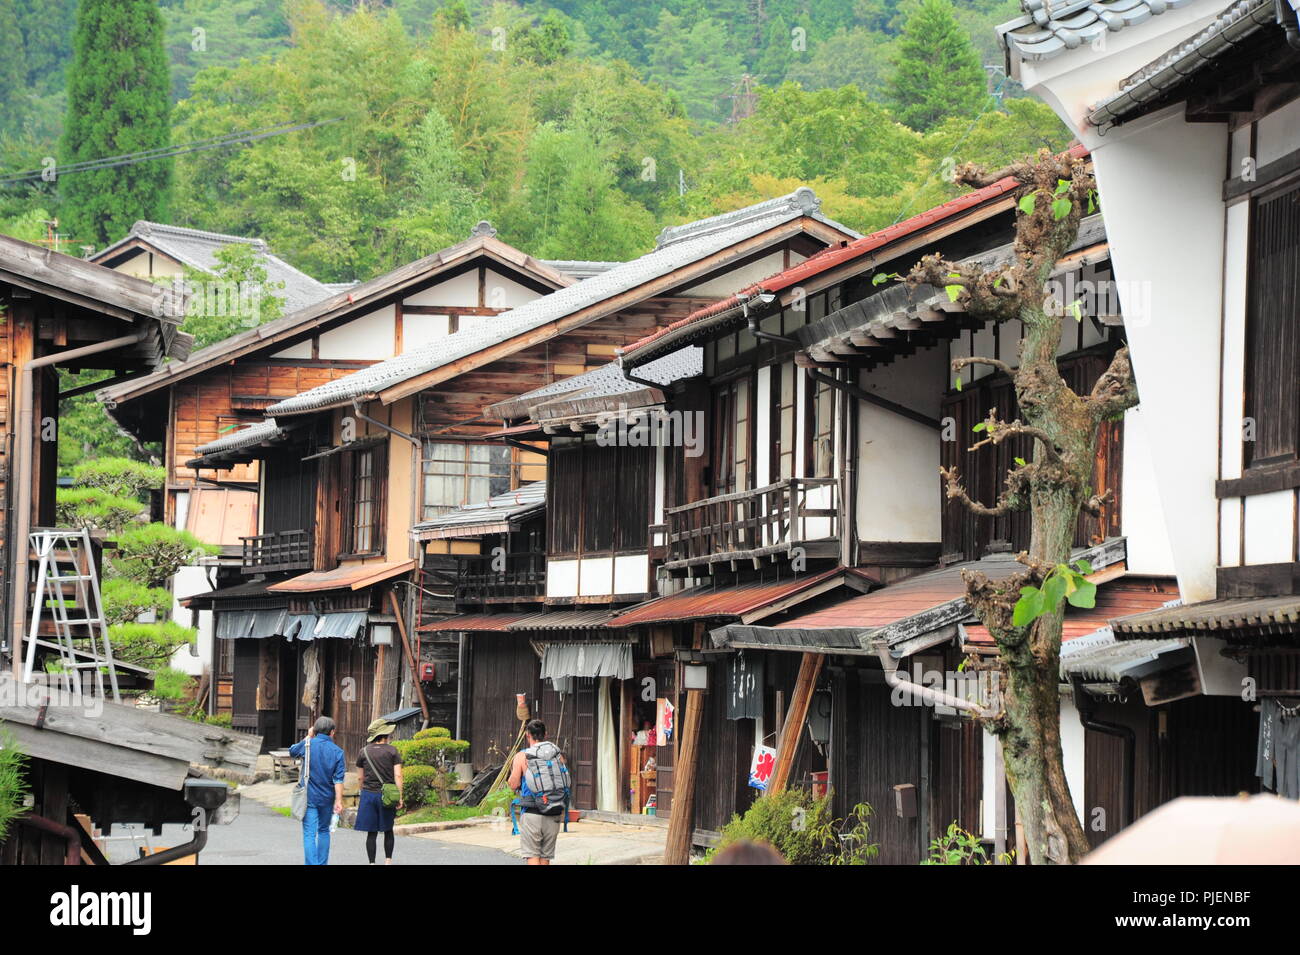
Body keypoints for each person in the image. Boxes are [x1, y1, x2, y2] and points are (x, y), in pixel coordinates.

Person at [508, 719, 569, 866]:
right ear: (545, 735)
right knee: (545, 858)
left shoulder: (522, 756)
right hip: (554, 811)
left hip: (532, 812)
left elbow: (514, 783)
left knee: (532, 856)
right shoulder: (557, 755)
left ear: (527, 735)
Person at [289, 716, 345, 865]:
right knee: (324, 831)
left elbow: (292, 751)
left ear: (315, 730)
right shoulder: (338, 752)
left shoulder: (308, 745)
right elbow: (338, 779)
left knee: (309, 833)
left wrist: (308, 736)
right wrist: (339, 800)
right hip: (327, 797)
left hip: (309, 796)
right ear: (332, 732)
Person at [355, 717, 405, 865]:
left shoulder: (363, 752)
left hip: (369, 794)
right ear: (385, 735)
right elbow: (398, 775)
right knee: (388, 829)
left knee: (372, 832)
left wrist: (361, 792)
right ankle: (388, 861)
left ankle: (371, 863)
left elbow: (360, 778)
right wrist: (400, 796)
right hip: (387, 796)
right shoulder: (392, 751)